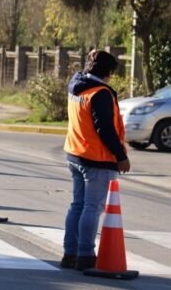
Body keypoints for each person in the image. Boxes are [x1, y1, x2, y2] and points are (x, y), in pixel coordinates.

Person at [61, 50, 131, 271]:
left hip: (75, 153)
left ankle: (70, 253)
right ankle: (85, 255)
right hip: (96, 159)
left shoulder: (76, 85)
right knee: (92, 207)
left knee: (77, 205)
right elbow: (105, 129)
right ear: (109, 72)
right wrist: (121, 156)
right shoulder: (100, 94)